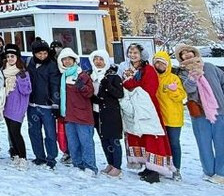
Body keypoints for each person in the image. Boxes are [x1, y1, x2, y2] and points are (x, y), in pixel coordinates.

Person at [176, 44, 224, 184]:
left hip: (219, 111)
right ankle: (209, 171)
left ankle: (223, 173)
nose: (187, 55)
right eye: (183, 54)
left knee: (222, 143)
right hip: (199, 113)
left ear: (195, 52)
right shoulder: (182, 73)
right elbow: (188, 90)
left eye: (189, 51)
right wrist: (192, 78)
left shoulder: (209, 67)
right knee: (203, 144)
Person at [120, 43, 174, 183]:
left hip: (147, 106)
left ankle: (155, 168)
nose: (132, 55)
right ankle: (146, 165)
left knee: (152, 135)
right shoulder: (128, 69)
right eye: (130, 52)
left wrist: (131, 85)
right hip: (134, 107)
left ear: (141, 55)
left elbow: (150, 88)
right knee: (139, 135)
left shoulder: (148, 70)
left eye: (135, 53)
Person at [57, 47, 97, 176]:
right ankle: (77, 164)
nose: (67, 62)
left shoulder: (82, 75)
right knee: (73, 143)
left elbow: (90, 93)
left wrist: (82, 87)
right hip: (69, 115)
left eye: (69, 59)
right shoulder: (63, 76)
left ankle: (90, 166)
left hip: (83, 115)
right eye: (64, 60)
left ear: (74, 60)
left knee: (86, 142)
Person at [25, 38, 60, 169]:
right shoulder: (30, 63)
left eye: (45, 53)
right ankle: (39, 156)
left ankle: (51, 157)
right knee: (34, 132)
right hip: (32, 104)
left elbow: (54, 85)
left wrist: (55, 103)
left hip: (47, 106)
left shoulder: (52, 65)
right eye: (39, 53)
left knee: (50, 133)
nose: (42, 56)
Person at [153, 50, 187, 181]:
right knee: (161, 145)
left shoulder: (174, 78)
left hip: (173, 118)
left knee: (174, 143)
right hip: (158, 118)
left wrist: (173, 91)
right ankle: (162, 167)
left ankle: (176, 169)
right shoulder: (153, 77)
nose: (159, 66)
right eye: (157, 63)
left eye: (162, 63)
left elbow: (182, 97)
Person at [89, 50, 124, 178]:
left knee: (113, 139)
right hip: (96, 112)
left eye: (101, 59)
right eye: (95, 59)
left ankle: (117, 166)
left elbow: (119, 94)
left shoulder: (113, 76)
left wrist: (108, 85)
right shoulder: (91, 75)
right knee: (103, 139)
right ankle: (110, 163)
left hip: (110, 112)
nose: (98, 62)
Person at [2, 44, 32, 169]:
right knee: (11, 131)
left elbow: (27, 90)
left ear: (17, 57)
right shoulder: (4, 71)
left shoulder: (22, 72)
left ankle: (23, 157)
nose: (10, 58)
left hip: (18, 106)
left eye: (12, 56)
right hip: (7, 106)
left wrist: (22, 79)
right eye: (8, 56)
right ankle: (15, 154)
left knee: (16, 131)